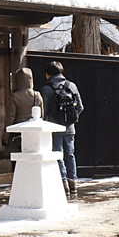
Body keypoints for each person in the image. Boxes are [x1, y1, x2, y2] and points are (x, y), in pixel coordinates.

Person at [41, 61, 84, 198]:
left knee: (58, 155)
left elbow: (44, 111)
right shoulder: (71, 86)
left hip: (55, 128)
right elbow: (80, 107)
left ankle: (63, 184)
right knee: (70, 155)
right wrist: (70, 119)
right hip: (70, 128)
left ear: (48, 74)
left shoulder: (47, 89)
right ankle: (74, 184)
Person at [2, 67, 44, 151]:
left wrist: (5, 137)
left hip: (18, 132)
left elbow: (10, 118)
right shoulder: (37, 95)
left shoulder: (15, 97)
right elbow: (42, 116)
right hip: (33, 131)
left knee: (19, 158)